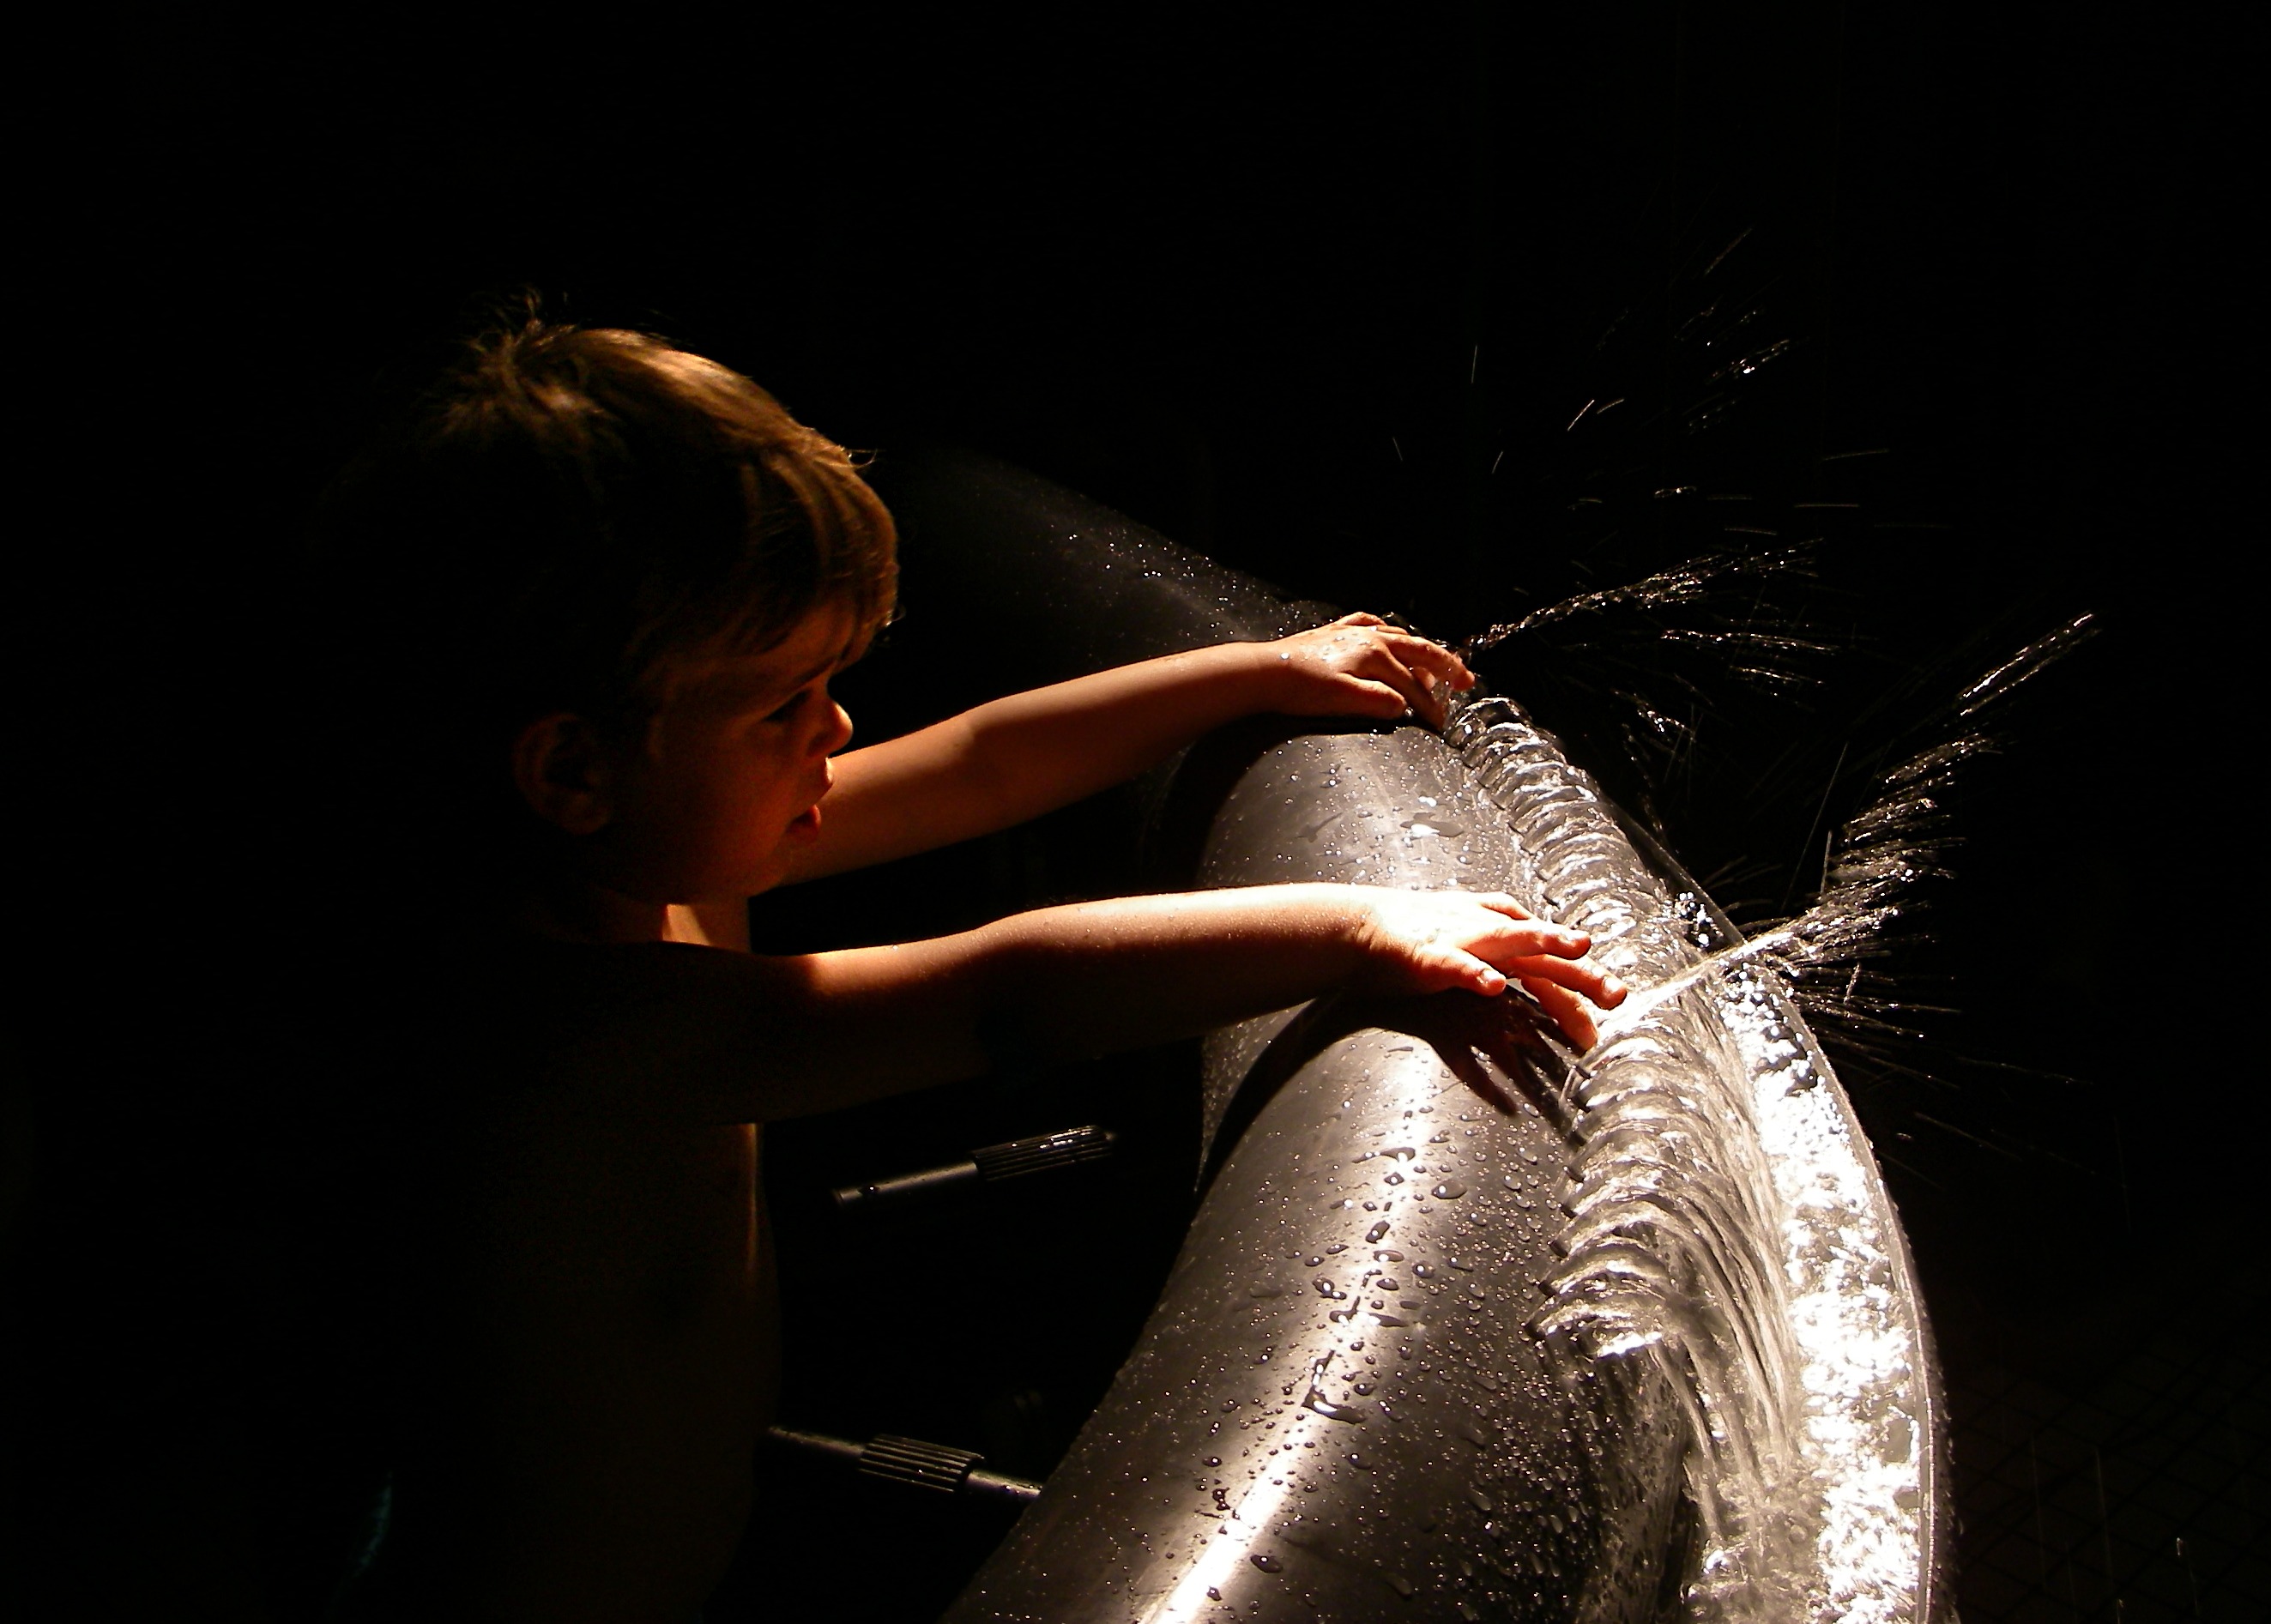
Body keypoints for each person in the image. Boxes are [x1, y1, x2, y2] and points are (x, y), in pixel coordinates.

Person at [310, 317, 1622, 1621]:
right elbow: (1001, 994)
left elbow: (981, 762)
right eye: (783, 704)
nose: (837, 727)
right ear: (572, 769)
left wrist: (1258, 671)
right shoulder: (549, 1031)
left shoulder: (670, 857)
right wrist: (1356, 925)